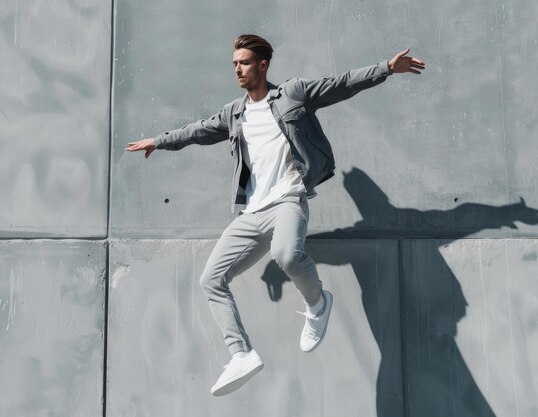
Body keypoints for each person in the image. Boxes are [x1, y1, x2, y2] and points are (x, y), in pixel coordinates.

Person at [126, 34, 425, 396]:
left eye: (244, 62)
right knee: (211, 279)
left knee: (286, 254)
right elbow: (199, 131)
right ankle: (240, 353)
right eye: (234, 63)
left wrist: (387, 69)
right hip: (250, 213)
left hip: (288, 200)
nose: (237, 68)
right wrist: (159, 141)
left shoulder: (293, 94)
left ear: (263, 65)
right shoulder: (233, 113)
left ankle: (317, 302)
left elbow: (341, 84)